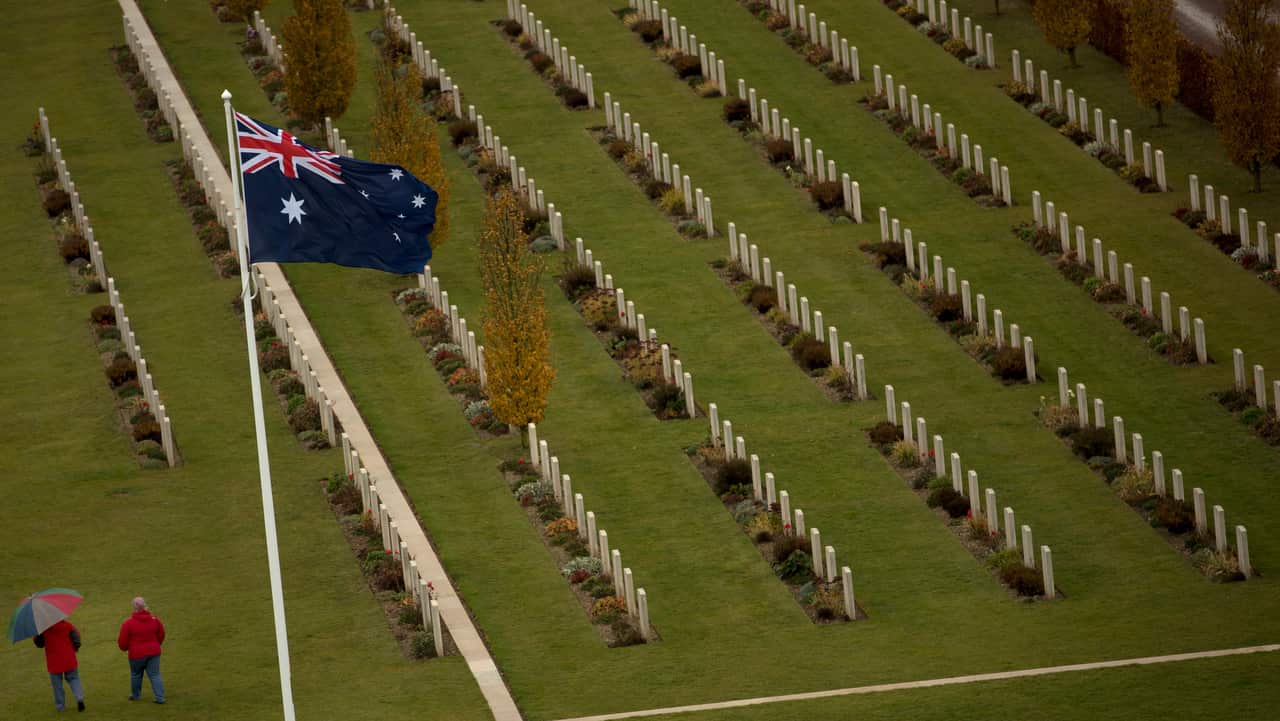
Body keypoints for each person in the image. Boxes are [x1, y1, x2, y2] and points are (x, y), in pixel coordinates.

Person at [116, 597, 165, 704]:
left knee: (136, 674)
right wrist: (156, 644)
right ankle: (160, 697)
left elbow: (122, 641)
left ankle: (136, 695)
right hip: (154, 652)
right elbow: (161, 634)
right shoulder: (154, 620)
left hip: (136, 654)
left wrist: (125, 648)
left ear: (134, 607)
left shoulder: (128, 623)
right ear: (145, 606)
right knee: (155, 675)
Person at [33, 618, 85, 712]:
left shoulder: (43, 629)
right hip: (69, 658)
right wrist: (76, 647)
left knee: (57, 686)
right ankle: (79, 697)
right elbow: (76, 637)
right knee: (74, 678)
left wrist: (36, 634)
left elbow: (39, 644)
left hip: (54, 662)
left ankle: (60, 707)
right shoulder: (67, 625)